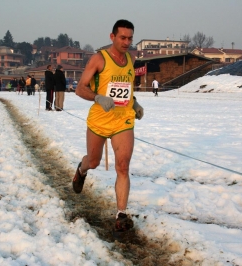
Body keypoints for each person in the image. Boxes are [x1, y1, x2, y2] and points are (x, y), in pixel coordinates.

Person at [74, 19, 144, 232]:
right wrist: (97, 98)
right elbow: (80, 88)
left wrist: (135, 103)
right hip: (99, 120)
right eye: (123, 37)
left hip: (123, 120)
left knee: (123, 166)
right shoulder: (99, 59)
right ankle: (81, 169)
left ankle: (121, 214)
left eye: (130, 38)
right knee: (93, 161)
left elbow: (126, 88)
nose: (127, 42)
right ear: (112, 36)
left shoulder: (130, 59)